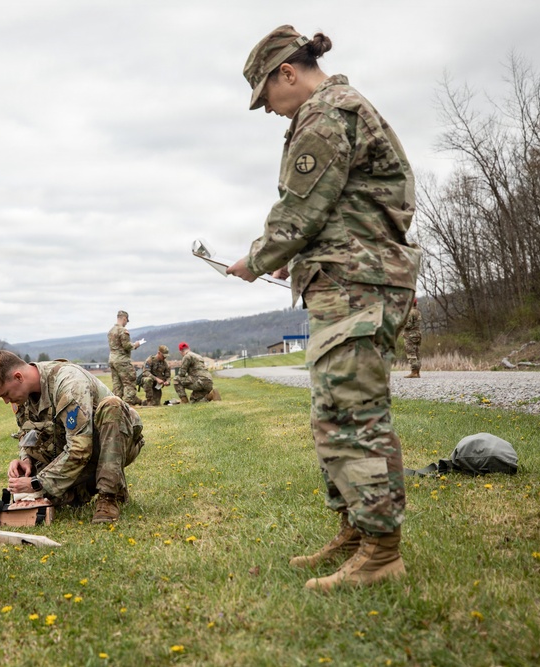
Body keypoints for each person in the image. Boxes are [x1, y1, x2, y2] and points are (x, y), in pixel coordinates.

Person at [226, 26, 421, 592]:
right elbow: (333, 209)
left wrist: (258, 259)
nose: (268, 110)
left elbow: (299, 208)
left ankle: (382, 552)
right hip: (345, 280)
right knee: (331, 411)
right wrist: (298, 255)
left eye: (266, 97)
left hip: (359, 285)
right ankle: (357, 533)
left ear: (289, 72)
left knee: (355, 414)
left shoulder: (327, 113)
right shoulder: (331, 111)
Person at [0, 350, 145, 523]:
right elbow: (28, 434)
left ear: (19, 377)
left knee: (112, 406)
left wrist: (37, 483)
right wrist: (26, 460)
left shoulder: (69, 383)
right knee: (46, 496)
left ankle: (109, 497)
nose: (6, 401)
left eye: (5, 394)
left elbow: (80, 448)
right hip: (74, 448)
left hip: (116, 442)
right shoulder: (22, 398)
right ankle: (95, 486)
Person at [108, 310, 142, 405]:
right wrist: (136, 345)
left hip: (112, 359)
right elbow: (126, 345)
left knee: (117, 384)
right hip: (122, 360)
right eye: (126, 320)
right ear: (124, 318)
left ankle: (116, 404)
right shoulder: (122, 330)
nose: (126, 323)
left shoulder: (111, 330)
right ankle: (129, 403)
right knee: (129, 381)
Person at [401, 299, 423, 378]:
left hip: (410, 335)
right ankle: (417, 372)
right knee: (417, 353)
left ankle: (414, 372)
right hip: (417, 334)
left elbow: (408, 325)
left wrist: (400, 324)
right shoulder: (418, 312)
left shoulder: (410, 312)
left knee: (411, 353)